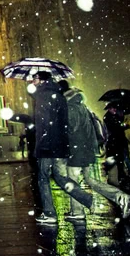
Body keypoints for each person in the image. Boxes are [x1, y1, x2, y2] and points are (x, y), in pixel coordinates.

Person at [62, 84, 130, 221]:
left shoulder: (70, 108)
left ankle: (77, 212)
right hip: (87, 150)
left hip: (76, 151)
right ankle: (120, 196)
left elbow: (71, 130)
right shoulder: (83, 108)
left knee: (72, 181)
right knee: (91, 180)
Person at [32, 71, 94, 224]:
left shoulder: (42, 96)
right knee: (60, 177)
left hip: (47, 146)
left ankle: (49, 214)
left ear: (42, 80)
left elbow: (44, 123)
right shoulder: (59, 96)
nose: (32, 81)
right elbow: (62, 122)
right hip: (60, 144)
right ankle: (86, 198)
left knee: (43, 178)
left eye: (34, 78)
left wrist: (41, 143)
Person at [104, 106, 130, 186]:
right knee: (117, 159)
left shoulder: (114, 116)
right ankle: (118, 177)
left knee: (120, 159)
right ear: (109, 109)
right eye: (113, 108)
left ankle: (121, 175)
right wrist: (124, 126)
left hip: (119, 141)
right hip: (115, 142)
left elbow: (118, 127)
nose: (115, 110)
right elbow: (115, 128)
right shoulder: (108, 117)